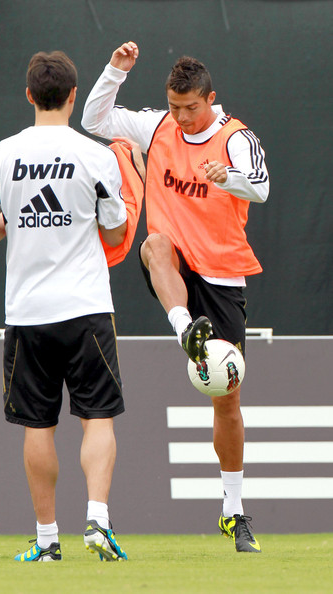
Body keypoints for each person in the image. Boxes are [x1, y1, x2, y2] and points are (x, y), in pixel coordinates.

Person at [82, 41, 269, 553]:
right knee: (155, 244)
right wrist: (115, 71)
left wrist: (227, 178)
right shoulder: (159, 125)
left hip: (225, 275)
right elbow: (96, 119)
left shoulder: (235, 138)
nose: (182, 117)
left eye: (191, 107)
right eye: (175, 106)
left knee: (226, 400)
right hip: (177, 268)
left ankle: (233, 512)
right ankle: (184, 327)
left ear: (211, 99)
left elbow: (263, 186)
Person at [0, 50, 141, 562]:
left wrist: (11, 226)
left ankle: (47, 542)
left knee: (38, 426)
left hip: (27, 313)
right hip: (86, 307)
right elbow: (114, 228)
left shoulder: (1, 154)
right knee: (98, 418)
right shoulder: (96, 155)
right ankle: (97, 520)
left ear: (28, 95)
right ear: (71, 96)